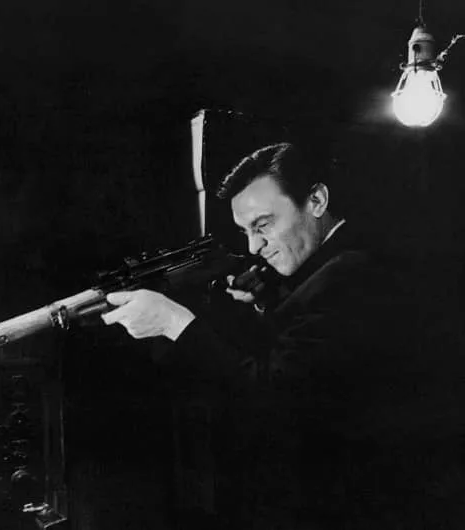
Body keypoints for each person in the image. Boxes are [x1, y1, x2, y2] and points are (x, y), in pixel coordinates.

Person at [102, 142, 464, 529]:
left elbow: (274, 395)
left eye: (263, 225)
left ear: (317, 200)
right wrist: (266, 303)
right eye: (245, 231)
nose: (254, 246)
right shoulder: (338, 261)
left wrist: (174, 322)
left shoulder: (350, 274)